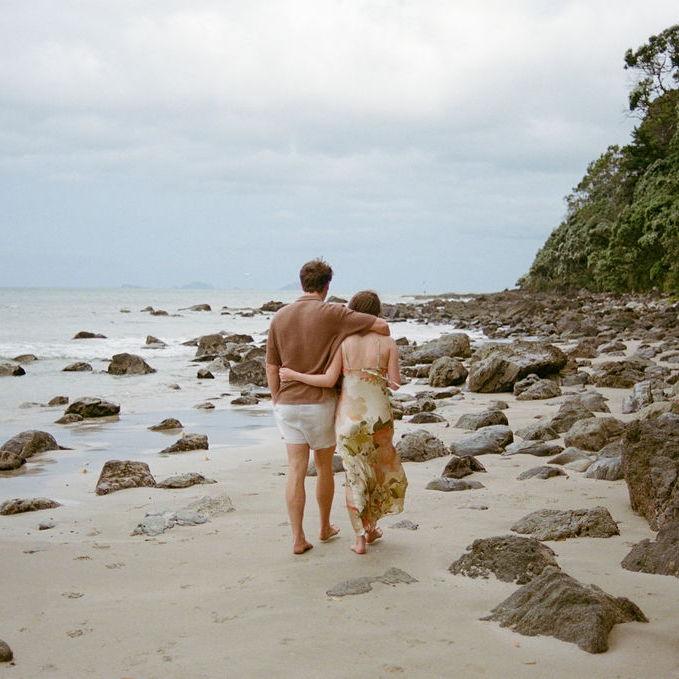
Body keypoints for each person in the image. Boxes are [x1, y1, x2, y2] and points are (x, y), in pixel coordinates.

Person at [266, 260, 390, 555]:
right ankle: (324, 527)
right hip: (320, 404)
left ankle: (298, 538)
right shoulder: (333, 312)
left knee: (295, 470)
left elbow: (271, 366)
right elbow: (381, 325)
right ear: (326, 286)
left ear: (302, 283)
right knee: (323, 468)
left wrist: (276, 398)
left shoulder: (279, 317)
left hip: (287, 404)